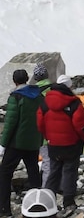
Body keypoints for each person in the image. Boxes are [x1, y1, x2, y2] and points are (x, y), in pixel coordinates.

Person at [35, 74, 84, 216]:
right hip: (71, 144)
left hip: (53, 145)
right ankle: (68, 200)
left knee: (54, 171)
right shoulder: (74, 103)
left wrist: (49, 137)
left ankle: (47, 198)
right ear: (69, 87)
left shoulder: (45, 103)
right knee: (70, 171)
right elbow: (81, 125)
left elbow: (40, 124)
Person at [0, 70, 43, 216]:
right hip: (34, 142)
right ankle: (38, 205)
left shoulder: (16, 97)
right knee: (33, 173)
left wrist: (3, 143)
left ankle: (4, 209)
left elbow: (11, 122)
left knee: (5, 173)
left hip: (17, 143)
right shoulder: (38, 95)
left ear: (15, 81)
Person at [31, 65, 52, 189]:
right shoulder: (55, 89)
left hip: (39, 134)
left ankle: (45, 189)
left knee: (46, 162)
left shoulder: (32, 92)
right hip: (57, 131)